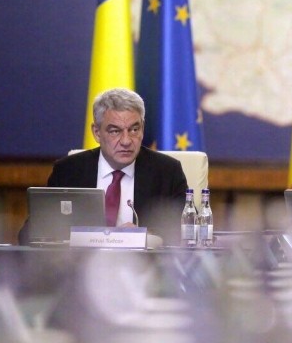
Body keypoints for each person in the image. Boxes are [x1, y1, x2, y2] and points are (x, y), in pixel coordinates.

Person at [18, 88, 188, 246]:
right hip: (82, 267)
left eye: (134, 130)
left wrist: (143, 236)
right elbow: (28, 235)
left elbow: (181, 234)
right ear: (97, 132)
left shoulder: (167, 172)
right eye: (115, 131)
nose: (126, 141)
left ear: (142, 128)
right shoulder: (68, 171)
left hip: (143, 267)